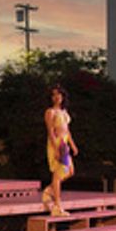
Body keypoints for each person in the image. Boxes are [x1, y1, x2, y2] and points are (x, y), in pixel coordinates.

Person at [42, 85, 77, 216]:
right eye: (54, 95)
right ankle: (57, 205)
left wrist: (72, 145)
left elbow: (67, 130)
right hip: (57, 143)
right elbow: (51, 132)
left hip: (65, 143)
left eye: (59, 95)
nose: (57, 97)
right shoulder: (50, 112)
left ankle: (49, 190)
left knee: (70, 171)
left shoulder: (64, 112)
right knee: (58, 174)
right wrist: (56, 148)